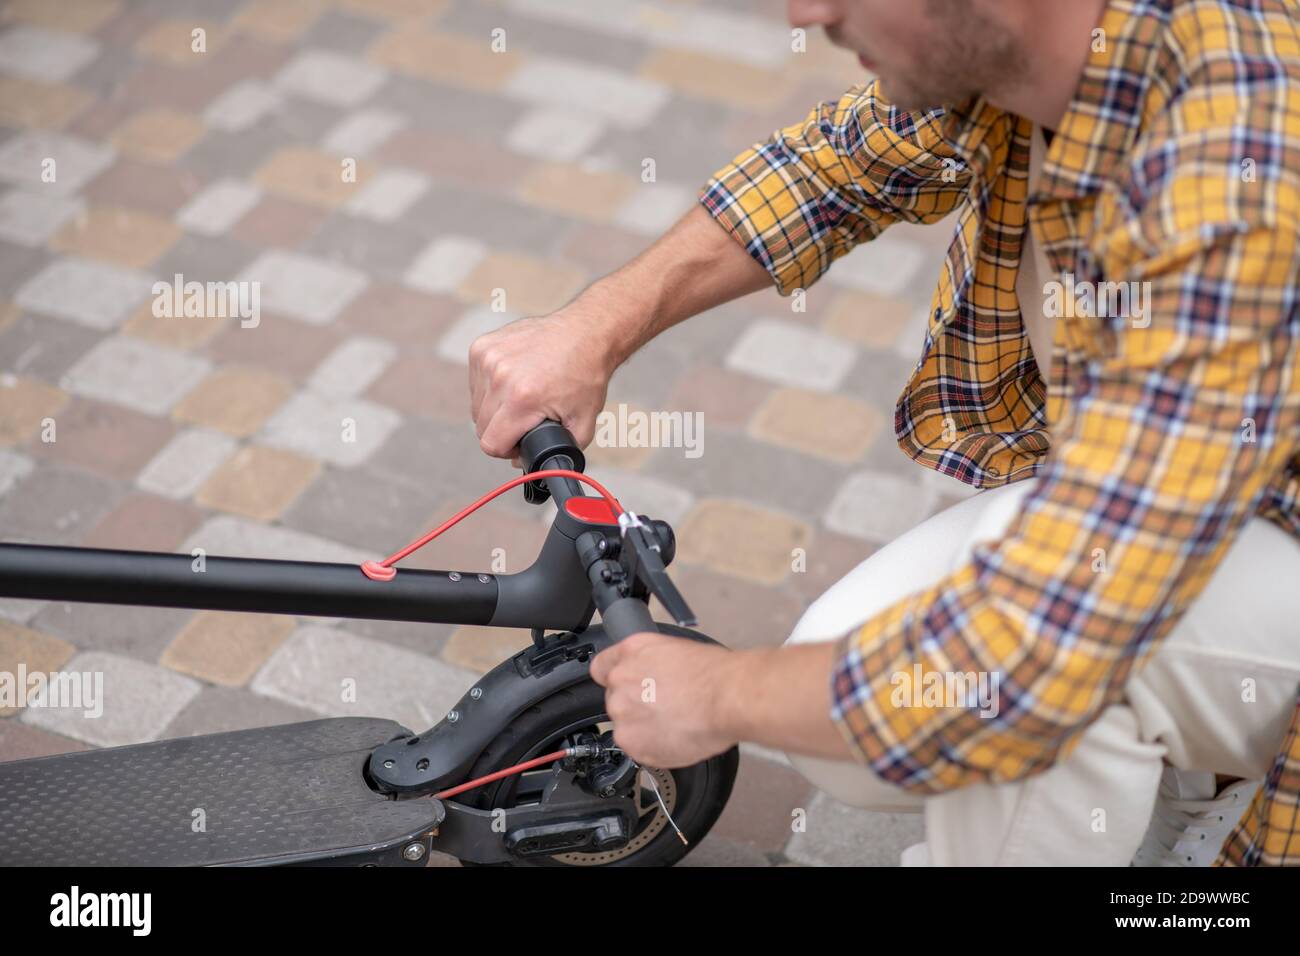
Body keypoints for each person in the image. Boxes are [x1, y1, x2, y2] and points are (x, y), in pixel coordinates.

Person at [467, 0, 1300, 865]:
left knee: (1018, 690)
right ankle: (1189, 783)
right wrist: (592, 329)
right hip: (1196, 498)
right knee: (848, 689)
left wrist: (716, 695)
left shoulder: (1230, 178)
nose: (807, 11)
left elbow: (1024, 657)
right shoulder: (1041, 61)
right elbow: (829, 169)